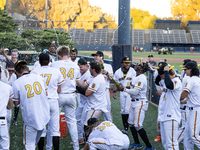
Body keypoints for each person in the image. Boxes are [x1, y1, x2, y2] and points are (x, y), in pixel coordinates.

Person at [12, 60, 50, 150]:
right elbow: (46, 94)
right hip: (44, 115)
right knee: (34, 142)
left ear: (17, 72)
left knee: (29, 144)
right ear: (27, 69)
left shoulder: (17, 83)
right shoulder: (39, 77)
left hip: (30, 117)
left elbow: (16, 103)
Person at [31, 53, 64, 150]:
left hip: (41, 102)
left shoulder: (34, 71)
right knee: (55, 130)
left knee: (41, 128)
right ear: (49, 61)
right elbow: (59, 90)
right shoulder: (56, 71)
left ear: (39, 61)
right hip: (53, 101)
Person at [50, 46, 80, 150]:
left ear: (59, 55)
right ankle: (76, 147)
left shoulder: (54, 64)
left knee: (53, 122)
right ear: (68, 54)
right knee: (72, 122)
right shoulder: (75, 65)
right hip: (71, 94)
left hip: (58, 95)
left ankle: (49, 146)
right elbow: (76, 81)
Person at [121, 61, 155, 150]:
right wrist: (125, 87)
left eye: (139, 65)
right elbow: (131, 88)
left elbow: (136, 92)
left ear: (142, 69)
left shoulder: (142, 78)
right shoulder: (135, 76)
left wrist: (124, 89)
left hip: (140, 103)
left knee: (137, 125)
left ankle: (149, 147)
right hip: (134, 102)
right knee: (131, 124)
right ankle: (137, 143)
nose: (137, 65)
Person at [156, 63, 181, 150]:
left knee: (171, 144)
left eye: (163, 76)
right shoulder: (165, 80)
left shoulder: (176, 80)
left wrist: (166, 72)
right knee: (165, 143)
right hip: (164, 116)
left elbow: (170, 86)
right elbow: (157, 81)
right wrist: (162, 69)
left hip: (171, 117)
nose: (162, 79)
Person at [76, 61, 108, 127]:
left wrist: (76, 88)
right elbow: (83, 85)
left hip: (96, 107)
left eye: (90, 68)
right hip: (92, 106)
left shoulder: (97, 79)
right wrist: (75, 79)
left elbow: (87, 93)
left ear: (93, 69)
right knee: (86, 125)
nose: (89, 69)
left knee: (88, 126)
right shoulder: (93, 77)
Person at [113, 56, 136, 135]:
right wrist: (114, 91)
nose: (128, 64)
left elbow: (135, 82)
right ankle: (125, 127)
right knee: (123, 110)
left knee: (128, 109)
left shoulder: (133, 71)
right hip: (122, 92)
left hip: (130, 91)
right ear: (122, 63)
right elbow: (115, 83)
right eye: (126, 63)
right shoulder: (117, 72)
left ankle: (131, 125)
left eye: (129, 62)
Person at [180, 61, 200, 149]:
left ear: (190, 69)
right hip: (193, 109)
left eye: (186, 69)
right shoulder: (198, 79)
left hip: (195, 109)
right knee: (187, 135)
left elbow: (183, 94)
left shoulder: (191, 80)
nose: (185, 71)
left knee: (194, 136)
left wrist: (175, 99)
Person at [91, 51, 113, 122]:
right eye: (94, 56)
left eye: (97, 56)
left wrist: (107, 73)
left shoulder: (108, 66)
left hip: (105, 91)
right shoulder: (92, 67)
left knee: (107, 111)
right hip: (95, 91)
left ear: (102, 57)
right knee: (95, 110)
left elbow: (112, 79)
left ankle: (110, 127)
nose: (95, 57)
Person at [75, 58, 91, 144]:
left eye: (81, 66)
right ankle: (80, 139)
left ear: (86, 66)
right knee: (77, 119)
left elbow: (86, 91)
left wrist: (75, 89)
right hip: (82, 101)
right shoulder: (79, 73)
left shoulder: (89, 75)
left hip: (89, 102)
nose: (79, 68)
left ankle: (87, 140)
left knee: (85, 122)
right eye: (79, 66)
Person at [0, 66, 13, 150]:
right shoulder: (8, 87)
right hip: (1, 121)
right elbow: (9, 107)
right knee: (4, 147)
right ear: (0, 74)